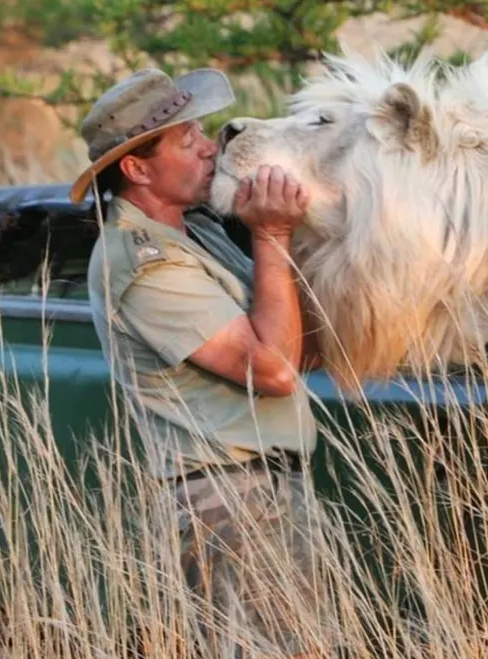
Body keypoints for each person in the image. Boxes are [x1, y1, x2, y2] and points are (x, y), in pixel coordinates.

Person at [67, 67, 338, 657]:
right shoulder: (142, 263)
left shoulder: (198, 233)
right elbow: (273, 370)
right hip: (226, 497)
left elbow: (296, 339)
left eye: (203, 134)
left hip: (258, 487)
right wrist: (270, 236)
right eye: (188, 141)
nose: (210, 147)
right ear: (137, 169)